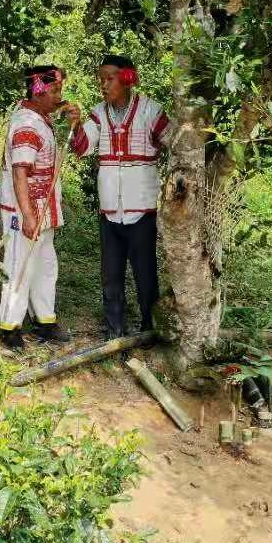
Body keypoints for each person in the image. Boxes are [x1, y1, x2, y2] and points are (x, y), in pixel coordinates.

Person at [70, 55, 170, 339]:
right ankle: (115, 328)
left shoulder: (150, 110)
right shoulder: (98, 114)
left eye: (109, 78)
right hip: (110, 207)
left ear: (127, 79)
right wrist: (77, 125)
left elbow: (174, 141)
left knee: (145, 271)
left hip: (142, 207)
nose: (103, 84)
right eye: (100, 78)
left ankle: (150, 327)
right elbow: (83, 147)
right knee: (110, 274)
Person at [0, 65, 80, 349]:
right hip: (26, 211)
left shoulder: (40, 118)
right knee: (20, 264)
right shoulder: (27, 125)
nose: (59, 96)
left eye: (60, 90)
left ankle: (45, 320)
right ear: (38, 90)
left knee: (45, 265)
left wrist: (71, 121)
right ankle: (10, 326)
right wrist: (29, 216)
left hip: (43, 207)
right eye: (55, 91)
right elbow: (21, 172)